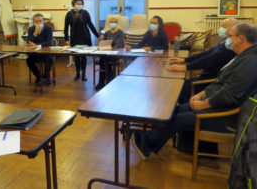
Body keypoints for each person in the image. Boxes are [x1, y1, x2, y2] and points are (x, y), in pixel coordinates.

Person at [131, 22, 257, 160]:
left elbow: (229, 94)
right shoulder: (243, 56)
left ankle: (146, 144)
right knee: (175, 110)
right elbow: (220, 82)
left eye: (230, 36)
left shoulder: (250, 61)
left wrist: (203, 103)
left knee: (177, 119)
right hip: (217, 104)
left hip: (225, 117)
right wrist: (201, 95)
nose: (228, 39)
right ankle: (148, 141)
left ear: (240, 39)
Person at [168, 18, 237, 103]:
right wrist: (184, 60)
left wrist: (186, 67)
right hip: (204, 76)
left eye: (223, 26)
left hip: (209, 82)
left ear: (232, 29)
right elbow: (207, 53)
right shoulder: (225, 42)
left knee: (178, 87)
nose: (220, 28)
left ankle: (184, 107)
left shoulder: (229, 47)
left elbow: (208, 60)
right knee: (179, 84)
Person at [64, 0, 101, 81]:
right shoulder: (69, 14)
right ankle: (77, 73)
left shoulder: (85, 13)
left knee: (83, 56)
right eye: (78, 4)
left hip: (85, 37)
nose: (80, 5)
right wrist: (66, 39)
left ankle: (84, 74)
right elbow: (66, 28)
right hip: (74, 38)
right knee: (77, 57)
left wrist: (98, 36)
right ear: (74, 4)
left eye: (81, 4)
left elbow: (91, 25)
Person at [95, 15, 125, 90]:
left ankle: (102, 82)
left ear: (117, 23)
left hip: (115, 54)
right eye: (111, 22)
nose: (113, 23)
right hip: (106, 54)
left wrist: (110, 48)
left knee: (103, 61)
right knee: (103, 60)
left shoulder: (120, 33)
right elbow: (103, 43)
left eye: (114, 22)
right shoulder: (107, 33)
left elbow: (119, 45)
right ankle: (109, 80)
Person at [26, 13, 53, 84]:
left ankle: (46, 76)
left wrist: (36, 45)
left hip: (47, 51)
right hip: (36, 52)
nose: (38, 23)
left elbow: (49, 42)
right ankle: (38, 76)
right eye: (36, 21)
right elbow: (28, 41)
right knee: (29, 61)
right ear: (34, 22)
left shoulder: (49, 28)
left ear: (43, 21)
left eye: (40, 21)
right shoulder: (31, 29)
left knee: (49, 59)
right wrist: (35, 33)